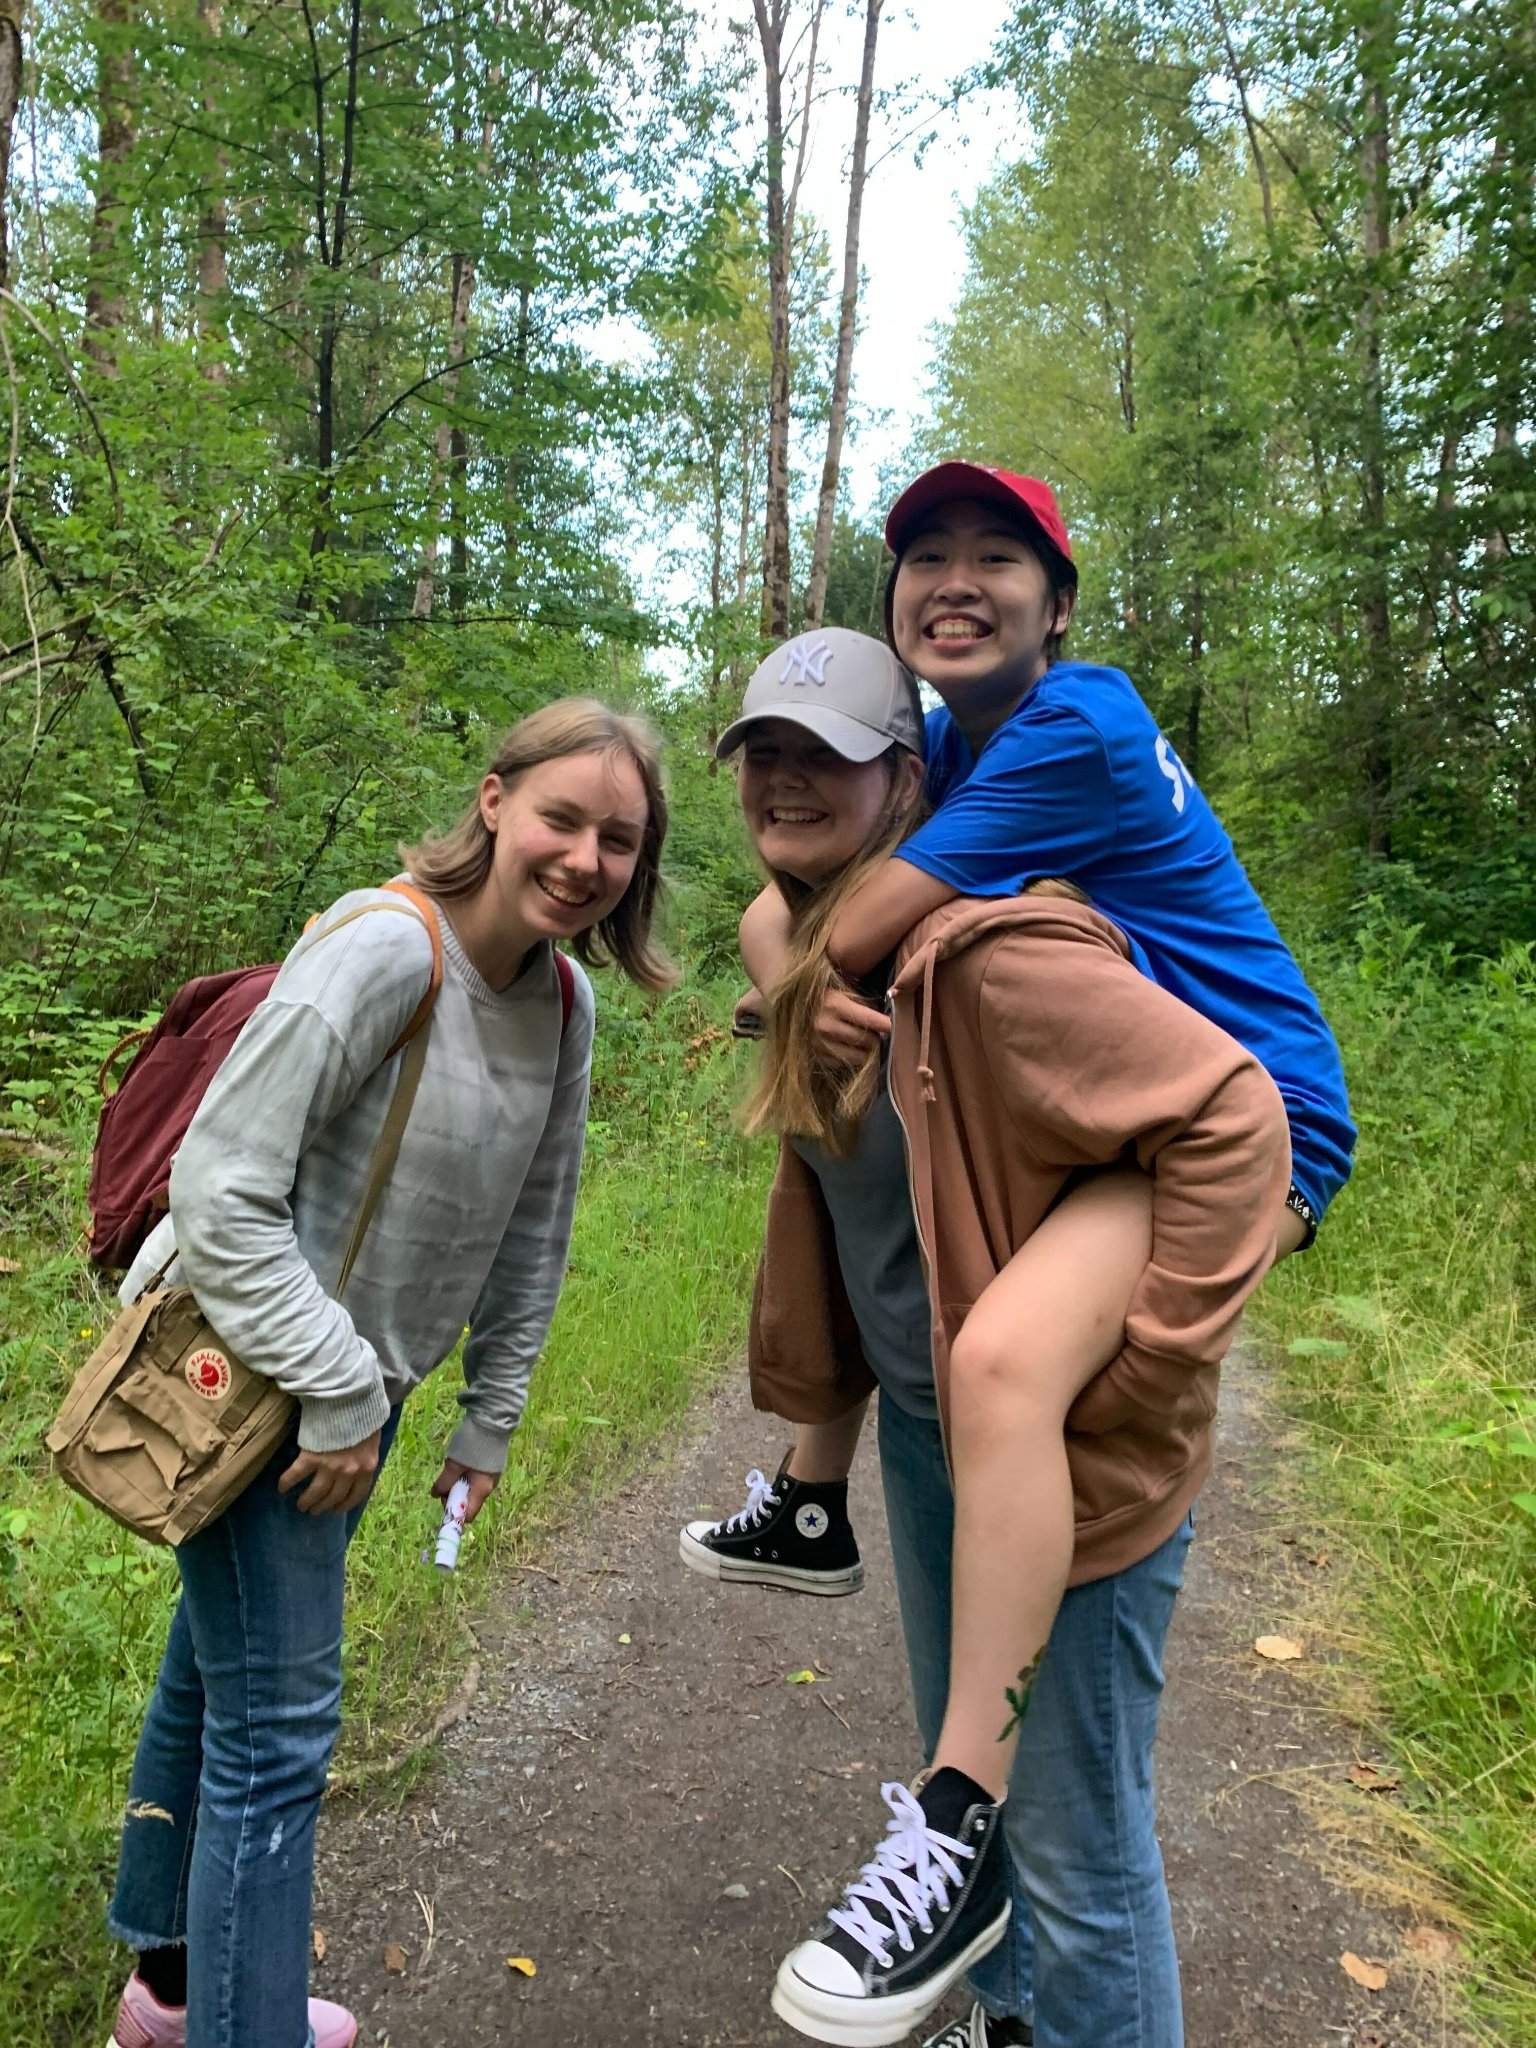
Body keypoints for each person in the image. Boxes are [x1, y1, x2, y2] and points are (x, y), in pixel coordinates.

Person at [691, 518, 1351, 2047]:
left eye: (1001, 559)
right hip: (1094, 1174)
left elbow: (847, 924)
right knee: (980, 1456)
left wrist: (1152, 1358)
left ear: (1062, 607)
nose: (956, 583)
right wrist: (784, 969)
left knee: (1007, 1381)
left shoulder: (1072, 732)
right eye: (927, 559)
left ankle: (959, 1822)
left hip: (1243, 1125)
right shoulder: (959, 757)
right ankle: (1000, 1967)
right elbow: (804, 899)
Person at [104, 700, 673, 2048]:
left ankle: (173, 1992)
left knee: (215, 1676)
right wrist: (347, 1394)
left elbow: (537, 1222)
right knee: (279, 1739)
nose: (586, 858)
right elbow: (223, 1188)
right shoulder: (379, 947)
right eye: (562, 818)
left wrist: (489, 1416)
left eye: (620, 840)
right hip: (256, 1381)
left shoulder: (563, 998)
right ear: (493, 802)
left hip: (357, 1389)